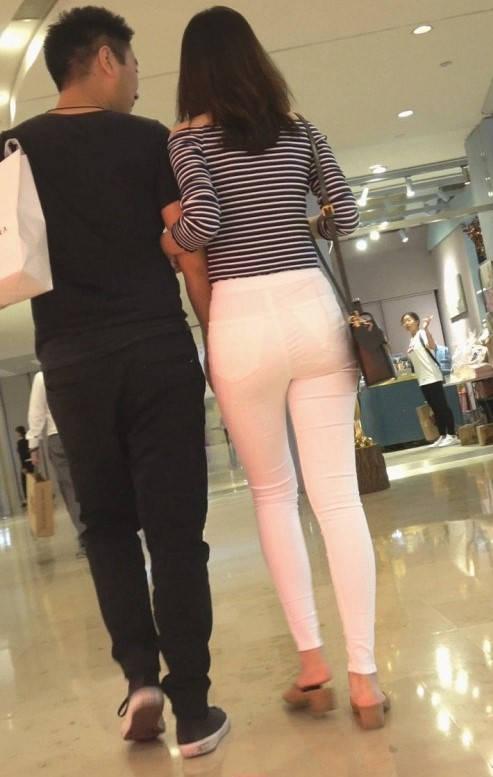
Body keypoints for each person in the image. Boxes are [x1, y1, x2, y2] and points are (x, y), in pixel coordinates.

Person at [0, 6, 228, 758]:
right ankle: (193, 708)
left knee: (106, 529)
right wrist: (217, 336)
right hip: (156, 350)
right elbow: (185, 247)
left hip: (71, 363)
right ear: (103, 59)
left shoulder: (14, 148)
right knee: (175, 531)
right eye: (130, 64)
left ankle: (140, 681)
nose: (136, 80)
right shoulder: (147, 139)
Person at [162, 6, 388, 729]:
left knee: (272, 493)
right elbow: (345, 215)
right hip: (309, 307)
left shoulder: (186, 140)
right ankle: (364, 679)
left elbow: (203, 223)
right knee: (338, 499)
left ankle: (312, 663)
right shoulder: (300, 129)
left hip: (241, 318)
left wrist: (171, 236)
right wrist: (308, 221)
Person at [27, 371, 86, 557]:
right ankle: (109, 531)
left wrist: (33, 445)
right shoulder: (81, 366)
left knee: (71, 489)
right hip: (88, 434)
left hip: (59, 437)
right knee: (95, 484)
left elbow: (37, 412)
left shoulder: (42, 376)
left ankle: (87, 538)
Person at [401, 312, 459, 448]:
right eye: (404, 322)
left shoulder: (422, 333)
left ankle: (452, 435)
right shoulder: (412, 339)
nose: (406, 323)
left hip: (433, 376)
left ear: (416, 321)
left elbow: (432, 346)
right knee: (434, 408)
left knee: (442, 406)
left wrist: (426, 328)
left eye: (409, 320)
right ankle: (443, 435)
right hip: (423, 379)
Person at [15, 425, 33, 505]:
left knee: (25, 482)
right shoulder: (28, 440)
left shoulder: (20, 442)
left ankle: (28, 499)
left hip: (25, 463)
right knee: (32, 479)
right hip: (31, 462)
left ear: (19, 433)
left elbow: (22, 455)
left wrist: (23, 466)